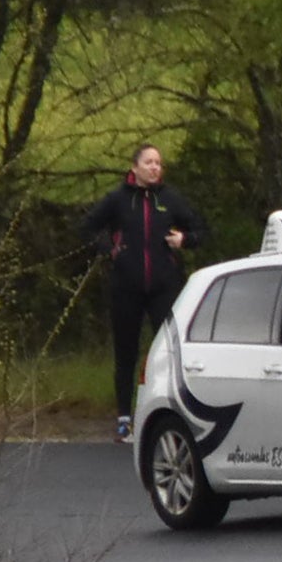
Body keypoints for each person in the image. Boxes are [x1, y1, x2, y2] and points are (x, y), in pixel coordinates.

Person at [81, 143, 207, 442]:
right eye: (149, 163)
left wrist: (184, 240)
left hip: (164, 287)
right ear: (134, 167)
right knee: (126, 353)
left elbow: (200, 230)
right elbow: (87, 228)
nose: (155, 168)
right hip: (126, 287)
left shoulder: (170, 199)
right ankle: (125, 419)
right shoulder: (118, 200)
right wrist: (110, 250)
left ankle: (173, 415)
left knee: (168, 352)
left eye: (158, 163)